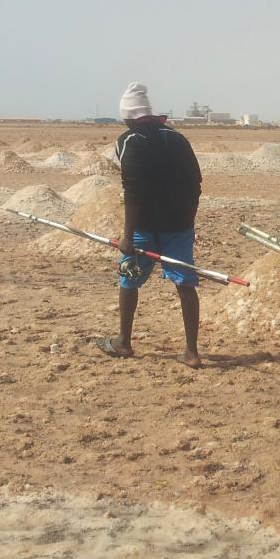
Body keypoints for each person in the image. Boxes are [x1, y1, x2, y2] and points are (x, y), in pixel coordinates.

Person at [98, 82, 203, 366]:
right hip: (179, 226)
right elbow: (196, 182)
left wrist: (128, 237)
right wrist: (187, 220)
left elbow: (133, 191)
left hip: (143, 228)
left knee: (128, 278)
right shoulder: (178, 138)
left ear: (127, 117)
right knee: (185, 285)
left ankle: (123, 342)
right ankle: (191, 352)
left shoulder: (128, 141)